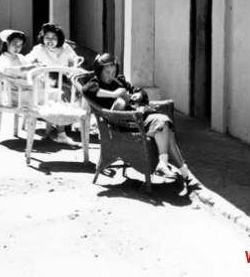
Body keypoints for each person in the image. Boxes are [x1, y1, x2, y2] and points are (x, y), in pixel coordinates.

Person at [82, 53, 197, 187]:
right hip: (123, 124)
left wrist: (137, 95)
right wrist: (113, 94)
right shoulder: (95, 83)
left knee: (164, 125)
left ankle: (166, 166)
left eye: (113, 72)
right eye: (107, 72)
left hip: (138, 118)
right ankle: (184, 174)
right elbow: (87, 90)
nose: (111, 76)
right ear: (99, 71)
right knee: (166, 129)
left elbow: (140, 91)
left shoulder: (119, 81)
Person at [27, 23, 81, 146]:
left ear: (59, 39)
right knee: (63, 92)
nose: (50, 40)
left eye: (54, 37)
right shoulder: (39, 49)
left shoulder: (66, 47)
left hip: (64, 77)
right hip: (47, 79)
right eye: (47, 37)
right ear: (42, 37)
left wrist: (73, 66)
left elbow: (75, 59)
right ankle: (62, 126)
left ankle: (70, 120)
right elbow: (27, 59)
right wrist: (35, 63)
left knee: (79, 90)